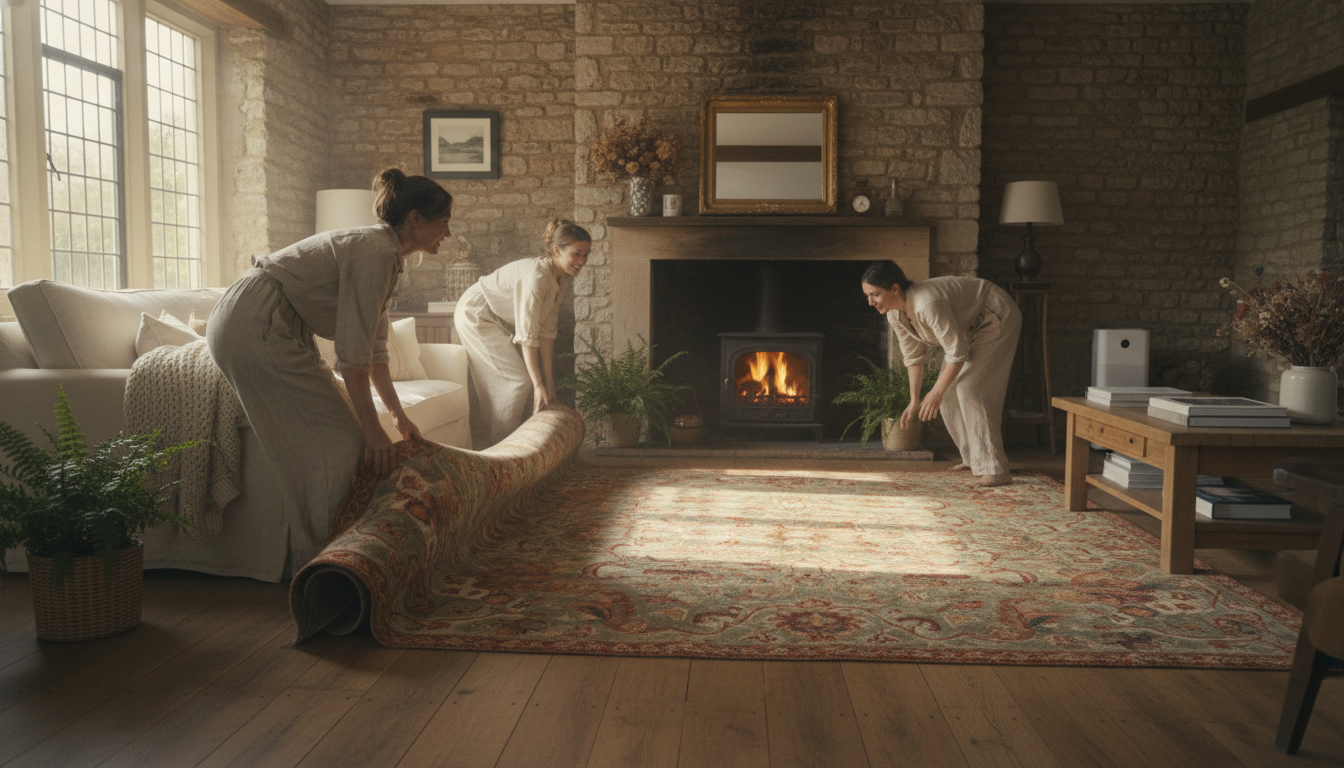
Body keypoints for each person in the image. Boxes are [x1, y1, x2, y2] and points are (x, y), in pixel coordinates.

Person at [207, 168, 452, 568]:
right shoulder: (377, 252)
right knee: (343, 444)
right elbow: (352, 358)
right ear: (415, 219)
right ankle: (327, 562)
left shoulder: (387, 254)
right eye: (444, 221)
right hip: (254, 321)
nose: (448, 232)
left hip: (264, 320)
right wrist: (372, 430)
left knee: (338, 438)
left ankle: (324, 554)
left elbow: (375, 348)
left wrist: (397, 416)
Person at [861, 261, 1022, 487]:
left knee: (969, 387)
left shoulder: (927, 304)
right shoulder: (895, 315)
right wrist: (914, 400)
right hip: (967, 326)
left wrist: (935, 392)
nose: (870, 302)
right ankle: (974, 459)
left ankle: (995, 469)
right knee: (946, 393)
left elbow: (957, 353)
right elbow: (914, 357)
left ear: (895, 288)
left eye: (875, 294)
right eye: (867, 296)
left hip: (995, 314)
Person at [454, 219, 591, 447]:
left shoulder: (562, 282)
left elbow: (547, 332)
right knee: (518, 380)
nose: (582, 261)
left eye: (586, 255)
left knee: (525, 381)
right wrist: (538, 385)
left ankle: (506, 442)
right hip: (475, 313)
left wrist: (548, 382)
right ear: (557, 251)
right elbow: (528, 336)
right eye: (577, 254)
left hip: (494, 318)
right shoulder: (536, 278)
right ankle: (501, 446)